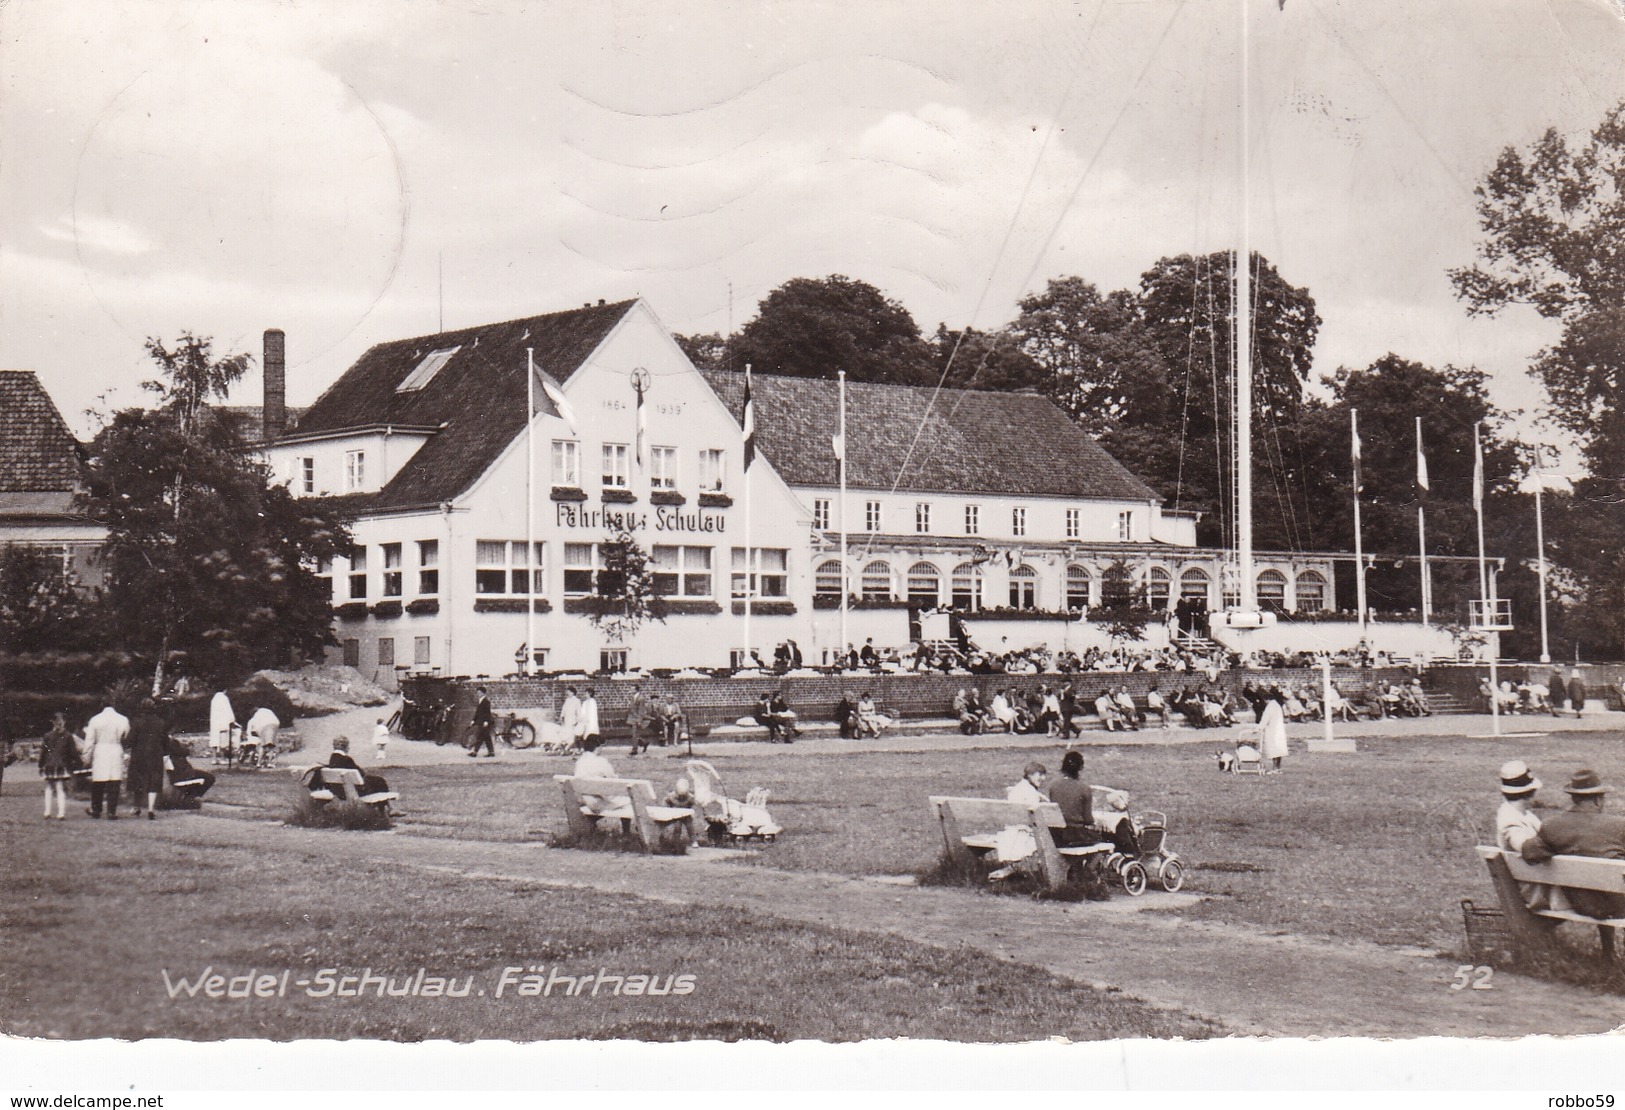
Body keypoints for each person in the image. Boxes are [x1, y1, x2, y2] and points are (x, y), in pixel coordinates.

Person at [1520, 768, 1625, 919]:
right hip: (1619, 906)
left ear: (1574, 798)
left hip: (1583, 906)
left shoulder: (1552, 826)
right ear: (1598, 800)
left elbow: (1529, 852)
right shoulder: (1619, 825)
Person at [1495, 760, 1547, 909]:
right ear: (1530, 792)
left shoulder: (1523, 814)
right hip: (1534, 891)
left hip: (1537, 880)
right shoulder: (1509, 819)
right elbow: (1526, 847)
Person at [84, 702, 131, 819]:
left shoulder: (95, 720)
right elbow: (126, 736)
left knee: (98, 781)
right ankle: (111, 811)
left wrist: (86, 757)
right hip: (115, 749)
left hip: (101, 750)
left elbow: (89, 741)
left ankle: (96, 809)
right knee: (114, 780)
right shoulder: (123, 719)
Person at [127, 698, 169, 820]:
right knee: (154, 780)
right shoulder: (160, 723)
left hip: (139, 755)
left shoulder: (136, 722)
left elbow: (130, 740)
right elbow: (165, 741)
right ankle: (151, 808)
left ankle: (137, 807)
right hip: (155, 754)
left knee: (138, 780)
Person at [37, 712, 77, 820]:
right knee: (60, 788)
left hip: (49, 764)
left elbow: (43, 752)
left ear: (53, 723)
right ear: (64, 722)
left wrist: (40, 765)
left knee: (49, 787)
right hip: (61, 765)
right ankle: (61, 813)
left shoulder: (47, 736)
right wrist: (75, 763)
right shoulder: (68, 736)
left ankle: (47, 812)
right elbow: (73, 753)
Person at [164, 734, 215, 802]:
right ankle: (194, 796)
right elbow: (185, 751)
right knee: (210, 777)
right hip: (185, 775)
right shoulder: (173, 746)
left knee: (205, 776)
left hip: (180, 775)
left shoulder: (165, 750)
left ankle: (190, 797)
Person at [1258, 694, 1287, 773]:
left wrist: (1259, 728)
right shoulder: (1277, 706)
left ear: (1267, 699)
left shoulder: (1270, 707)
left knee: (1274, 749)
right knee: (1279, 749)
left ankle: (1274, 769)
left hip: (1273, 730)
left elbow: (1265, 719)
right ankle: (1278, 767)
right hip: (1279, 730)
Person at [208, 690, 237, 766]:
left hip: (214, 723)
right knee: (223, 742)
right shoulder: (224, 698)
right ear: (225, 690)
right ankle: (222, 758)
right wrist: (232, 720)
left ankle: (214, 759)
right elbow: (228, 710)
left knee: (214, 740)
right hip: (223, 722)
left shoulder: (214, 699)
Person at [626, 683, 655, 755]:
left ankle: (634, 750)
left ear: (636, 690)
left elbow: (641, 710)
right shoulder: (633, 697)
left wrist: (639, 720)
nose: (631, 690)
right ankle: (644, 743)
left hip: (636, 718)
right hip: (632, 718)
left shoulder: (641, 698)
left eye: (632, 689)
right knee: (635, 734)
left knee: (635, 734)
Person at [469, 685, 495, 758]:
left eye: (479, 692)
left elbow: (487, 712)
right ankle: (491, 752)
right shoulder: (480, 701)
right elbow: (477, 713)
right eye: (477, 692)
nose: (478, 694)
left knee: (480, 737)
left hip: (485, 722)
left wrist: (486, 721)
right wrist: (473, 720)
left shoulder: (486, 701)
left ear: (483, 693)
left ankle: (475, 752)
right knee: (486, 737)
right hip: (481, 722)